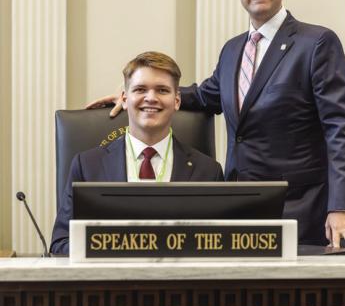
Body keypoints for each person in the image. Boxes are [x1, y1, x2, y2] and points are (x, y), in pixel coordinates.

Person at [86, 0, 345, 252]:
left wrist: (343, 206)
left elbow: (344, 128)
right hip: (238, 210)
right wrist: (142, 96)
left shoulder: (316, 44)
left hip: (301, 211)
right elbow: (208, 95)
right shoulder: (233, 50)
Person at [51, 51, 224, 255]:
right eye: (140, 89)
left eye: (162, 90)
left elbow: (218, 244)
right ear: (124, 98)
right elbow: (61, 243)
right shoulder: (87, 165)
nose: (151, 98)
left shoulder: (208, 171)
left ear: (177, 100)